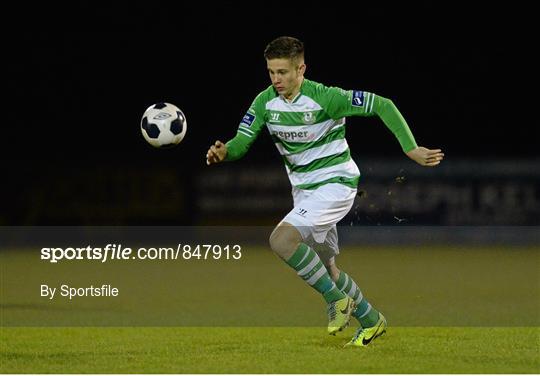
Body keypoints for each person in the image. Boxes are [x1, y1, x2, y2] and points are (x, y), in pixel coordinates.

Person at [206, 36, 444, 347]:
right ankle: (372, 321)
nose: (276, 79)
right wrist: (225, 152)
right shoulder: (264, 102)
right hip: (304, 193)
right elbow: (241, 140)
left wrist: (410, 148)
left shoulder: (327, 98)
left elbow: (383, 105)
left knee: (281, 240)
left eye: (283, 72)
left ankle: (336, 301)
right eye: (271, 72)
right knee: (327, 268)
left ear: (301, 69)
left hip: (336, 184)